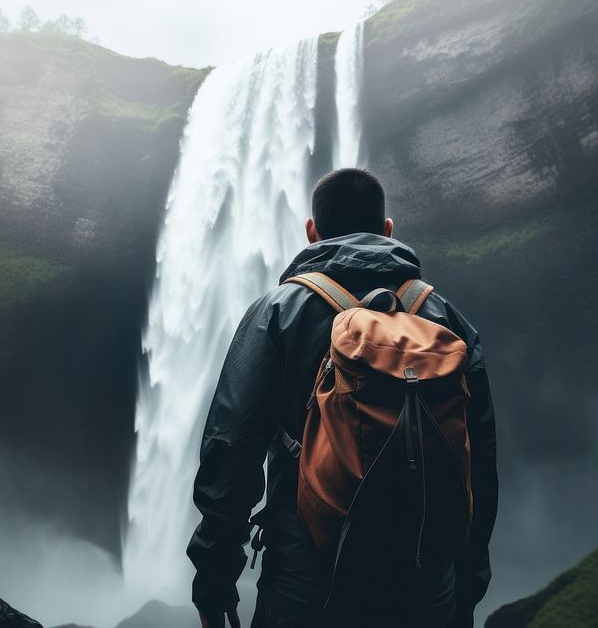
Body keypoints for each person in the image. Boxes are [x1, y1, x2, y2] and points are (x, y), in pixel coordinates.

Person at [187, 168, 498, 628]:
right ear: (388, 229)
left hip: (307, 583)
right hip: (427, 580)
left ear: (312, 233)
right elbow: (481, 460)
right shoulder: (445, 316)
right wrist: (468, 581)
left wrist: (214, 578)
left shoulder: (277, 311)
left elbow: (231, 450)